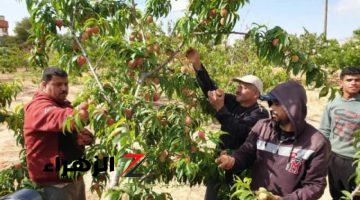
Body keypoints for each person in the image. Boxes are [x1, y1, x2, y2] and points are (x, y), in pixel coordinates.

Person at [216, 80, 331, 200]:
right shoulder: (262, 127)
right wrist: (232, 160)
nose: (271, 108)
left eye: (277, 104)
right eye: (270, 103)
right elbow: (246, 153)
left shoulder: (316, 143)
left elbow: (315, 185)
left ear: (294, 107)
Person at [185, 48, 269, 199]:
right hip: (220, 159)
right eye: (238, 86)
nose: (238, 89)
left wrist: (219, 108)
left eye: (243, 87)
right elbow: (210, 89)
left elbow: (239, 130)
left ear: (256, 94)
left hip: (240, 166)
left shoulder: (261, 114)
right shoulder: (232, 101)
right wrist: (197, 64)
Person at [23, 67, 94, 200]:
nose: (64, 88)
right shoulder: (38, 107)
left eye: (66, 84)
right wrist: (80, 113)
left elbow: (66, 131)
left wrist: (82, 138)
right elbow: (60, 118)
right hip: (54, 185)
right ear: (44, 85)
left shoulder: (63, 104)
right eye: (58, 84)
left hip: (73, 178)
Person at [319, 66, 360, 199]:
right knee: (336, 194)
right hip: (334, 158)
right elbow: (325, 130)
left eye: (357, 80)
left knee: (354, 196)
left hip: (355, 161)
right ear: (341, 83)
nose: (353, 83)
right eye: (349, 80)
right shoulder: (332, 103)